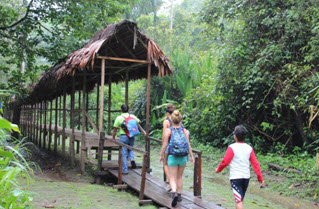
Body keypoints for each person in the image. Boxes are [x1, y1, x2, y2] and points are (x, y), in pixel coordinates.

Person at [215, 125, 264, 209]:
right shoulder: (249, 148)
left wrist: (218, 170)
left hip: (235, 178)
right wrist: (260, 178)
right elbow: (255, 164)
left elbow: (225, 162)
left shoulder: (232, 147)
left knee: (239, 201)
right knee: (240, 199)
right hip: (246, 178)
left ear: (235, 136)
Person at [160, 110, 194, 207]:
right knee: (179, 177)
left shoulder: (168, 131)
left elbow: (165, 145)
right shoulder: (185, 131)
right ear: (180, 120)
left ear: (172, 120)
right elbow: (188, 144)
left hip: (172, 156)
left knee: (172, 177)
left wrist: (161, 155)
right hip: (183, 157)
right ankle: (179, 195)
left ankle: (174, 192)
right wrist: (191, 156)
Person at [112, 104, 140, 174]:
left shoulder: (119, 118)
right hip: (132, 136)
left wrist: (113, 137)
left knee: (123, 153)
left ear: (121, 110)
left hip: (123, 136)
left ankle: (125, 170)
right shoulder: (132, 116)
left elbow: (115, 129)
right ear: (128, 110)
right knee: (131, 148)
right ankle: (132, 159)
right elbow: (139, 122)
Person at [162, 104, 175, 189]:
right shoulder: (177, 120)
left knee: (165, 164)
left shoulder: (166, 121)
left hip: (168, 145)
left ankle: (171, 182)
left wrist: (163, 146)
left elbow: (164, 134)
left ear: (167, 113)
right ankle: (175, 184)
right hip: (177, 146)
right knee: (174, 165)